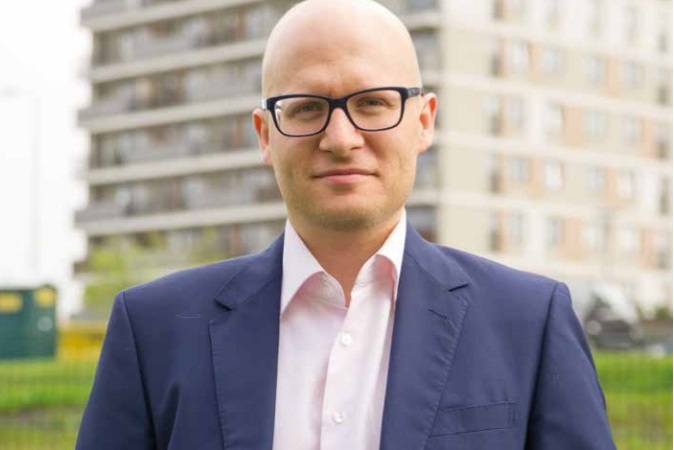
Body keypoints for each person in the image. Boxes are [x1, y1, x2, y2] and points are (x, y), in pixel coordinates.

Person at [76, 0, 616, 449]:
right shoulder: (153, 332)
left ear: (423, 121)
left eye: (373, 102)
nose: (340, 138)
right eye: (307, 108)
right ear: (265, 134)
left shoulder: (529, 323)